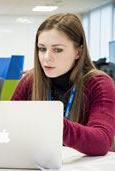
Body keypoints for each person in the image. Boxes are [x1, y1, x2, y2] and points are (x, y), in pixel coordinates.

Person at [11, 13, 115, 156]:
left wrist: (56, 123)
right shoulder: (30, 80)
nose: (46, 57)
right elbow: (9, 125)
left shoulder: (99, 83)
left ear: (78, 52)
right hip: (42, 161)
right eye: (42, 48)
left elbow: (102, 141)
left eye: (57, 50)